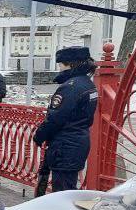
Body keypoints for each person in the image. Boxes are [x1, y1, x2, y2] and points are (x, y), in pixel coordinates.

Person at [33, 46, 97, 197]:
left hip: (65, 145)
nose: (59, 68)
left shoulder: (70, 87)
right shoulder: (88, 84)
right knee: (68, 187)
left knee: (62, 193)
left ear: (71, 64)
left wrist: (39, 135)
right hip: (78, 142)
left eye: (61, 64)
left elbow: (55, 118)